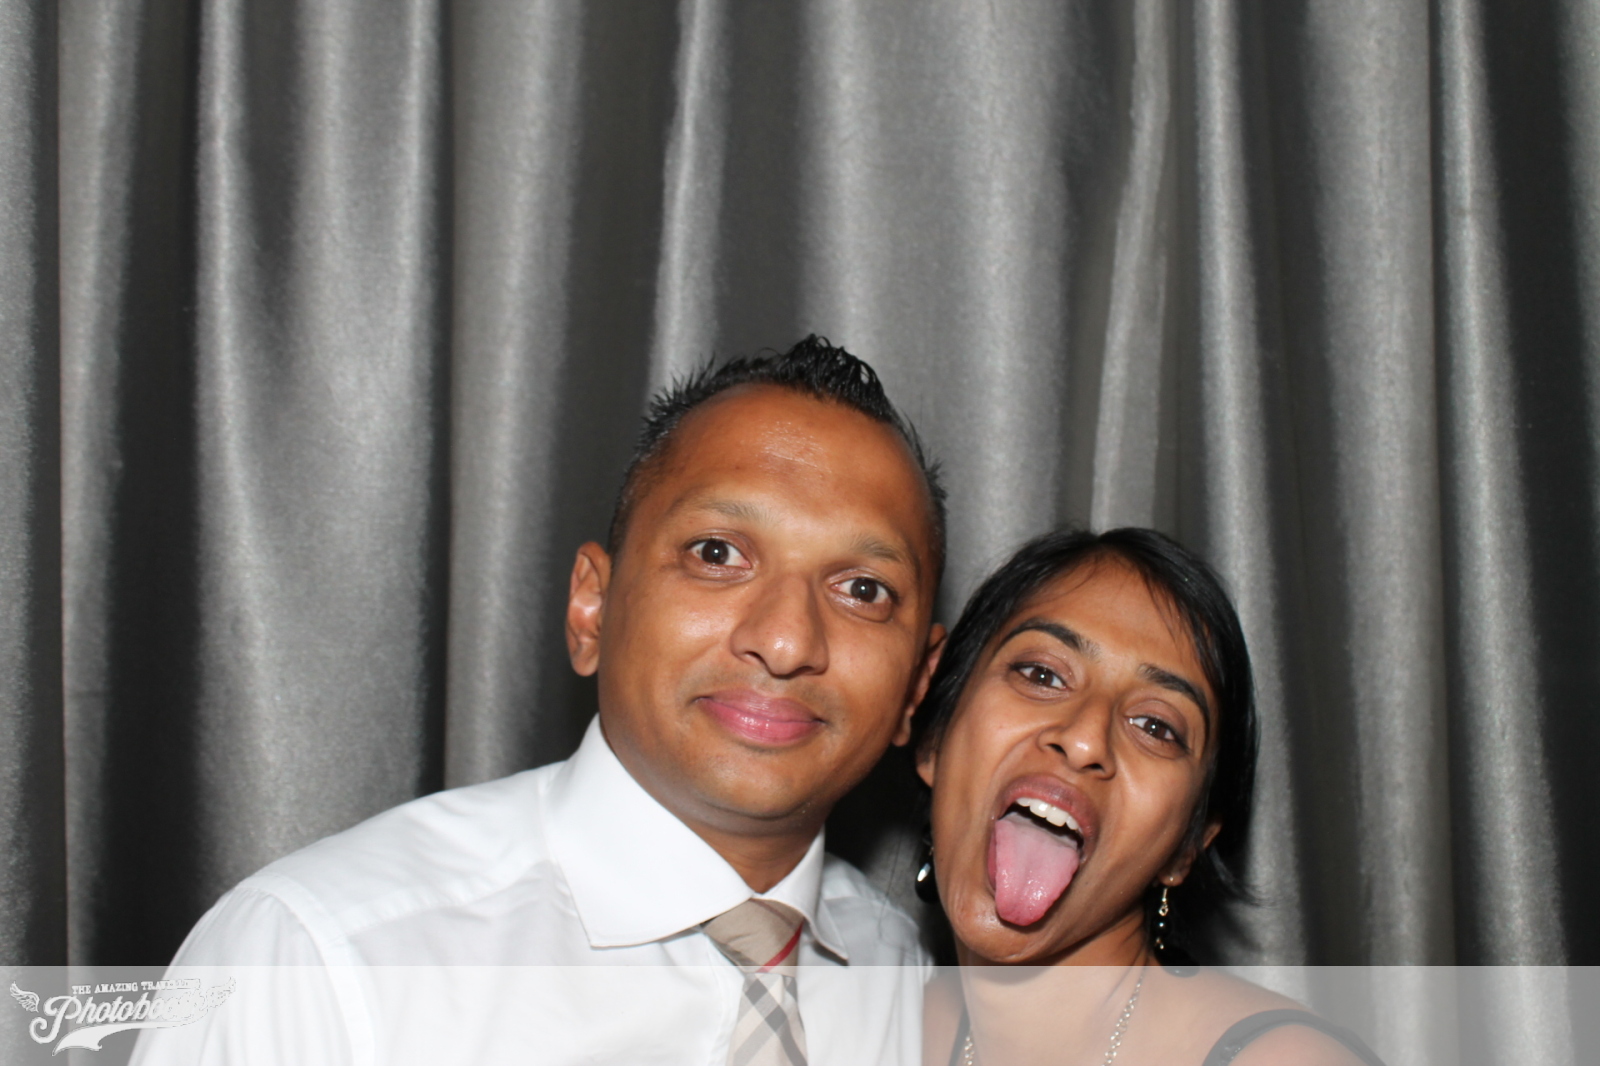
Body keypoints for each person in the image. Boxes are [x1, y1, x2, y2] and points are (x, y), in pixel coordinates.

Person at [131, 337, 948, 1066]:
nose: (787, 640)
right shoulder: (313, 962)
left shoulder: (910, 990)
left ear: (917, 685)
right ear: (591, 608)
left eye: (863, 590)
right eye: (717, 553)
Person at [912, 528, 1384, 1066]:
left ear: (1186, 846)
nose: (1085, 739)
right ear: (934, 738)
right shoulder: (880, 1029)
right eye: (1042, 674)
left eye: (1156, 726)